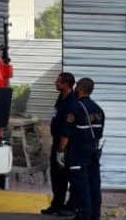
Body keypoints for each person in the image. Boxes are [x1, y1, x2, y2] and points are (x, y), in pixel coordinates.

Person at [58, 77, 106, 220]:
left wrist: (60, 151)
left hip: (78, 151)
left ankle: (84, 215)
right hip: (93, 151)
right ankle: (95, 215)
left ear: (79, 88)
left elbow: (66, 133)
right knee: (94, 184)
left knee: (81, 185)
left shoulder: (75, 107)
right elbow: (99, 134)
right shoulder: (99, 109)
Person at [42, 72, 77, 217]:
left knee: (69, 176)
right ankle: (57, 204)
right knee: (56, 176)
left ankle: (72, 206)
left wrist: (61, 150)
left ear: (66, 84)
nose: (55, 83)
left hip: (67, 146)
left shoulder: (72, 101)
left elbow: (68, 129)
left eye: (58, 82)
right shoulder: (61, 98)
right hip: (57, 142)